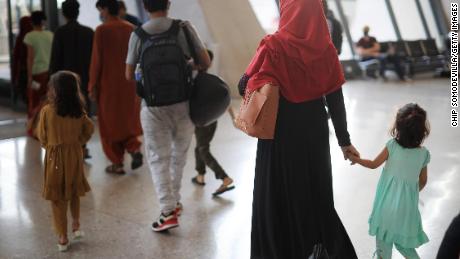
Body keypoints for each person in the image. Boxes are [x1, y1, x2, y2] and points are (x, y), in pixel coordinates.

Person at [238, 0, 359, 257]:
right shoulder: (326, 49)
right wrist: (344, 141)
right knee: (316, 191)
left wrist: (267, 79)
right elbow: (335, 99)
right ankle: (318, 246)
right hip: (314, 130)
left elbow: (243, 85)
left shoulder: (273, 45)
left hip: (279, 133)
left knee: (278, 195)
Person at [125, 0, 211, 232]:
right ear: (169, 3)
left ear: (144, 5)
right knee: (178, 156)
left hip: (153, 107)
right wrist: (186, 66)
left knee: (157, 158)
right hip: (183, 103)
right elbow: (205, 62)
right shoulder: (184, 28)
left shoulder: (138, 34)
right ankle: (175, 202)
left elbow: (128, 74)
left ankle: (167, 211)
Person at [349, 103, 430, 259]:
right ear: (422, 131)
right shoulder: (423, 154)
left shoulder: (392, 146)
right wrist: (411, 193)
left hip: (386, 209)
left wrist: (356, 159)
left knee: (383, 250)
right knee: (404, 246)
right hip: (406, 210)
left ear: (398, 127)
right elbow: (423, 181)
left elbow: (373, 164)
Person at [36, 71, 94, 252]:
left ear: (56, 91)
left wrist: (51, 146)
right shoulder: (79, 112)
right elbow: (89, 129)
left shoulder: (47, 111)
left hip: (55, 159)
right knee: (74, 190)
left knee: (57, 197)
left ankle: (62, 236)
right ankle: (76, 224)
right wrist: (78, 143)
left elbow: (42, 136)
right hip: (75, 155)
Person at [89, 0, 143, 174]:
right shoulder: (131, 28)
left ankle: (117, 163)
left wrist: (92, 85)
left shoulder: (102, 30)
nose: (100, 14)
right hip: (129, 84)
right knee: (128, 119)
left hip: (108, 85)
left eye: (100, 10)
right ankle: (134, 149)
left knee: (109, 123)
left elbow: (97, 61)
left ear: (105, 9)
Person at [49, 0, 94, 159]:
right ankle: (82, 145)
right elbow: (94, 59)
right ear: (78, 12)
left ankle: (71, 146)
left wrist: (52, 84)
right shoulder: (89, 32)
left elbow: (55, 60)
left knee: (66, 113)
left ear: (64, 14)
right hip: (84, 79)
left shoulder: (60, 33)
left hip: (64, 82)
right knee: (83, 112)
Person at [191, 50, 235, 196]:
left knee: (202, 149)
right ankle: (200, 176)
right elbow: (225, 98)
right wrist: (233, 116)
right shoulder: (214, 80)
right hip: (212, 120)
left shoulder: (195, 81)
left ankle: (224, 178)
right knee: (199, 148)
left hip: (202, 121)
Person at [24, 11, 53, 136]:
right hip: (49, 72)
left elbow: (30, 57)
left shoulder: (30, 36)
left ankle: (35, 128)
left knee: (35, 101)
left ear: (32, 22)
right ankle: (47, 126)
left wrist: (29, 77)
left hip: (37, 73)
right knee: (48, 100)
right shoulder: (51, 35)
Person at [12, 16, 33, 105]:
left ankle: (31, 114)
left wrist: (15, 76)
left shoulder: (20, 39)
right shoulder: (34, 37)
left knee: (27, 96)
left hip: (24, 73)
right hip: (37, 72)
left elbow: (16, 59)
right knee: (36, 96)